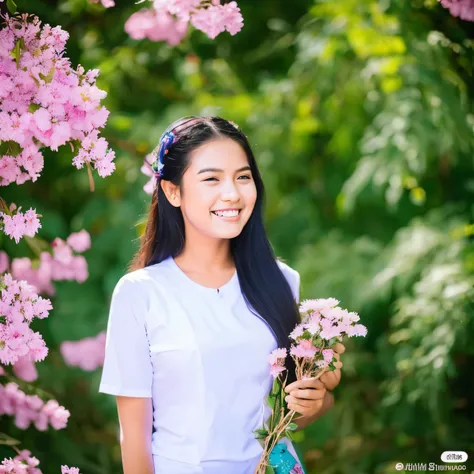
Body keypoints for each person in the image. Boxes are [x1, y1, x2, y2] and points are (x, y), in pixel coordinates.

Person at [98, 116, 345, 474]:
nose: (232, 193)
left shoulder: (281, 281)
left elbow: (292, 413)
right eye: (211, 178)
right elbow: (133, 437)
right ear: (172, 191)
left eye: (242, 177)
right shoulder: (141, 294)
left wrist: (317, 401)